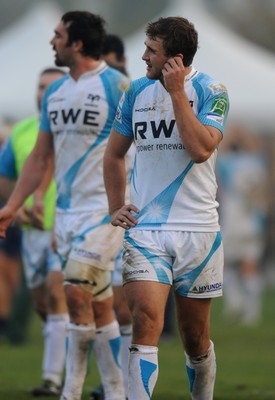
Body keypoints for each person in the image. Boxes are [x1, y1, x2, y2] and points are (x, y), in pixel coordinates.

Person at [0, 11, 129, 400]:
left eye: (58, 36)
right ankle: (116, 389)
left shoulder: (118, 86)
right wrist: (12, 205)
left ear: (76, 43)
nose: (51, 41)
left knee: (75, 291)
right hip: (67, 216)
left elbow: (139, 150)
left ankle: (68, 389)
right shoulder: (56, 94)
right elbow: (40, 157)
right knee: (99, 306)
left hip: (105, 212)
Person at [103, 16, 230, 400]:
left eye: (151, 51)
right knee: (145, 322)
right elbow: (113, 155)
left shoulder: (213, 90)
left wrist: (176, 94)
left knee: (195, 339)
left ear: (174, 58)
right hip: (146, 229)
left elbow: (201, 149)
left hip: (199, 231)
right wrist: (115, 206)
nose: (142, 57)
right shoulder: (136, 90)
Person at [0, 67, 69, 397]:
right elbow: (8, 174)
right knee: (43, 305)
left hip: (66, 227)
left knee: (59, 297)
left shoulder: (76, 131)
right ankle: (70, 356)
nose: (44, 93)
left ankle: (53, 380)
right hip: (31, 230)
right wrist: (17, 205)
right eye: (41, 87)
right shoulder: (22, 131)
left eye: (51, 87)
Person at [89, 33, 132, 400]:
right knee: (99, 302)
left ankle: (117, 385)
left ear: (118, 57)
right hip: (101, 215)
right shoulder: (96, 100)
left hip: (133, 216)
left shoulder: (137, 93)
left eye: (103, 58)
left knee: (122, 305)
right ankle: (114, 383)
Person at [217, 125, 268, 325]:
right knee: (250, 264)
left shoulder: (229, 164)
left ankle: (235, 302)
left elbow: (219, 151)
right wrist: (245, 133)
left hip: (233, 220)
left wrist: (232, 134)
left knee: (226, 262)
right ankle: (251, 310)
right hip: (254, 220)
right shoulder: (257, 162)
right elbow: (256, 147)